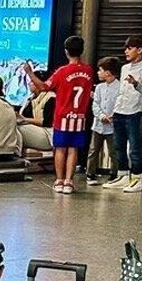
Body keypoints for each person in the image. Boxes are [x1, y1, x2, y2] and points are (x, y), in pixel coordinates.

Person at [22, 36, 92, 194]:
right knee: (73, 149)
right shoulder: (88, 71)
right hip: (79, 117)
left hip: (62, 117)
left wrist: (29, 73)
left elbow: (43, 86)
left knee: (60, 149)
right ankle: (69, 181)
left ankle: (59, 180)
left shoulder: (62, 71)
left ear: (66, 51)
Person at [103, 36, 142, 193]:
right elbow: (120, 92)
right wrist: (113, 110)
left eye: (129, 48)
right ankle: (123, 175)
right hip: (119, 111)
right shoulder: (124, 68)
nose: (126, 51)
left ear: (140, 50)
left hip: (134, 112)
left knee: (134, 147)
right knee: (119, 145)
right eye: (126, 48)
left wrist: (136, 84)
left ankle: (137, 177)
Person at [84, 57, 120, 185]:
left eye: (100, 70)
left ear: (108, 72)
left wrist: (112, 116)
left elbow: (120, 104)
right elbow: (95, 104)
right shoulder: (99, 87)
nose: (98, 73)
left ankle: (114, 173)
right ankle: (90, 173)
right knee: (93, 150)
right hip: (98, 125)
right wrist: (101, 116)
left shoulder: (120, 87)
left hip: (113, 125)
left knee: (114, 151)